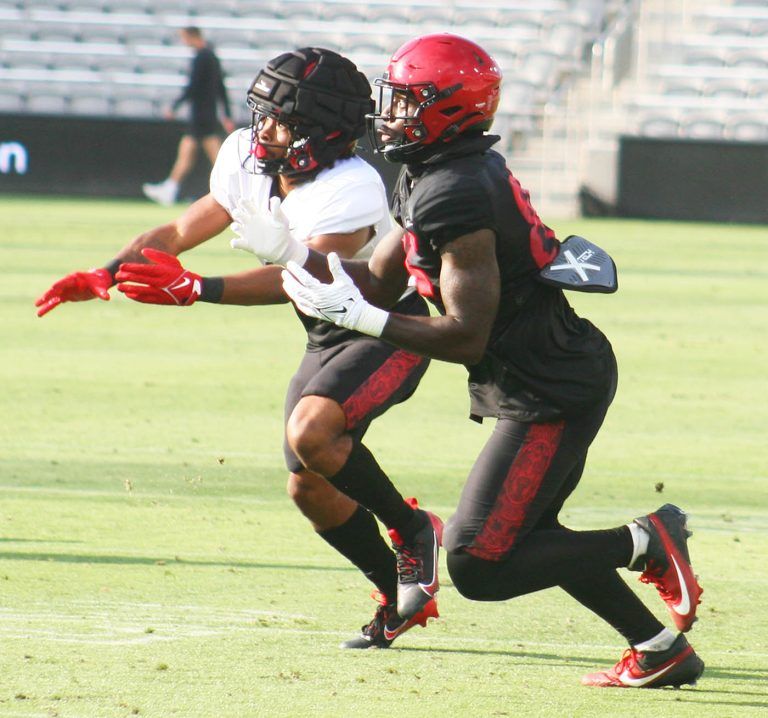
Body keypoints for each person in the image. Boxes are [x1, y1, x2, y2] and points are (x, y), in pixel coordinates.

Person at [234, 33, 705, 687]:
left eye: (407, 103)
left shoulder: (453, 190)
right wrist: (294, 253)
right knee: (530, 535)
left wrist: (365, 321)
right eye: (393, 100)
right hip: (543, 375)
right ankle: (660, 649)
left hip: (549, 388)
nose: (390, 115)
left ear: (448, 109)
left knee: (481, 563)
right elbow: (373, 280)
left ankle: (647, 539)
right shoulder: (437, 171)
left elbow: (464, 337)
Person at [35, 47, 442, 648]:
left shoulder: (351, 186)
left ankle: (413, 531)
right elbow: (178, 230)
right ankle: (394, 595)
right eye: (262, 111)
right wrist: (109, 270)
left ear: (323, 133)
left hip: (385, 327)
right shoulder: (247, 159)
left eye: (282, 120)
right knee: (308, 487)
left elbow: (301, 279)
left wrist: (198, 288)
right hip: (325, 332)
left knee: (312, 432)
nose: (264, 128)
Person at [143, 26, 235, 207]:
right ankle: (170, 187)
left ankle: (230, 189)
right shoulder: (212, 56)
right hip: (207, 113)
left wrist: (175, 106)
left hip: (201, 114)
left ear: (192, 37)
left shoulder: (202, 57)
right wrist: (226, 113)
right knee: (190, 152)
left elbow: (193, 87)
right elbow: (220, 87)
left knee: (211, 155)